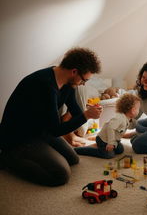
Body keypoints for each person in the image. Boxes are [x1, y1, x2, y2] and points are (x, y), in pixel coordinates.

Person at [0, 47, 102, 186]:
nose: (83, 83)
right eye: (84, 80)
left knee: (73, 159)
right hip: (20, 137)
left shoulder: (67, 83)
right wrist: (86, 116)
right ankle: (7, 158)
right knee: (60, 175)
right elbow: (56, 130)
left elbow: (76, 112)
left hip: (41, 130)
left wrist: (87, 112)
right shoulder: (44, 85)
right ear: (74, 72)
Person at [75, 93, 140, 159]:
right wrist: (110, 143)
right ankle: (81, 150)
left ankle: (104, 146)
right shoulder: (120, 118)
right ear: (133, 110)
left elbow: (133, 125)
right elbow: (110, 127)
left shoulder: (127, 118)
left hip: (114, 140)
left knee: (120, 150)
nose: (139, 110)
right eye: (138, 108)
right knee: (109, 155)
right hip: (104, 140)